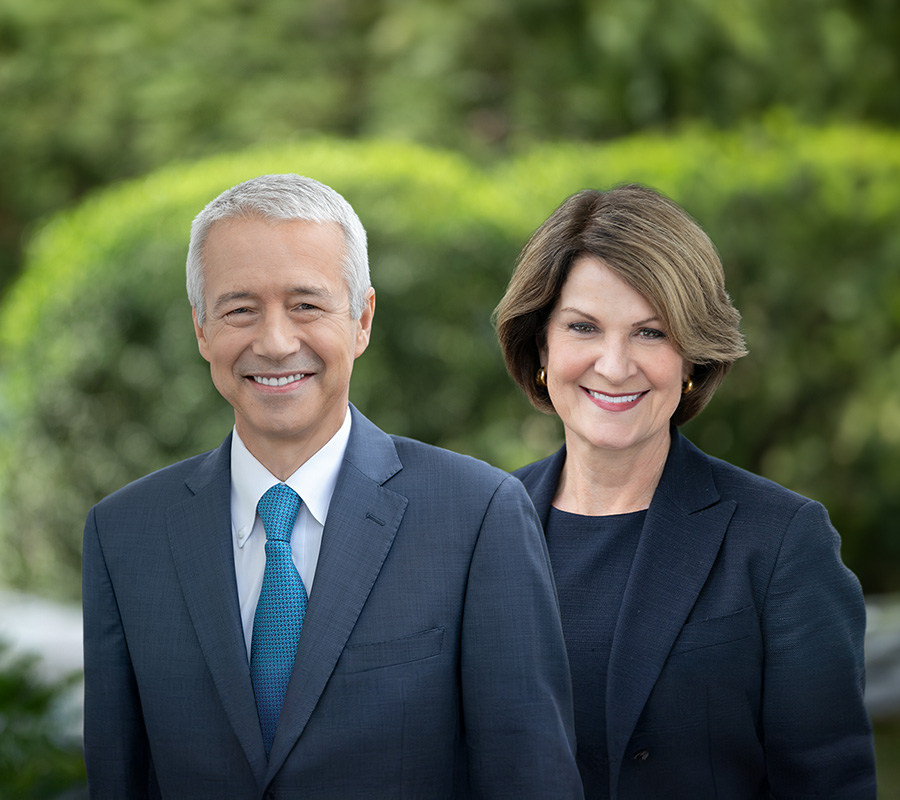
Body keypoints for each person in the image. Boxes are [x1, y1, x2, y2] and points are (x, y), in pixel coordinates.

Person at [82, 174, 583, 798]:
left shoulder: (478, 517)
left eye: (306, 305)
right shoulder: (124, 535)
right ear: (202, 329)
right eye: (239, 309)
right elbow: (118, 778)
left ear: (362, 319)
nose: (274, 341)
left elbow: (528, 777)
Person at [493, 184, 877, 799]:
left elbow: (827, 784)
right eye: (584, 327)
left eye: (650, 333)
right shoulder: (478, 525)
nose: (615, 366)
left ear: (693, 355)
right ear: (542, 344)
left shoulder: (781, 542)